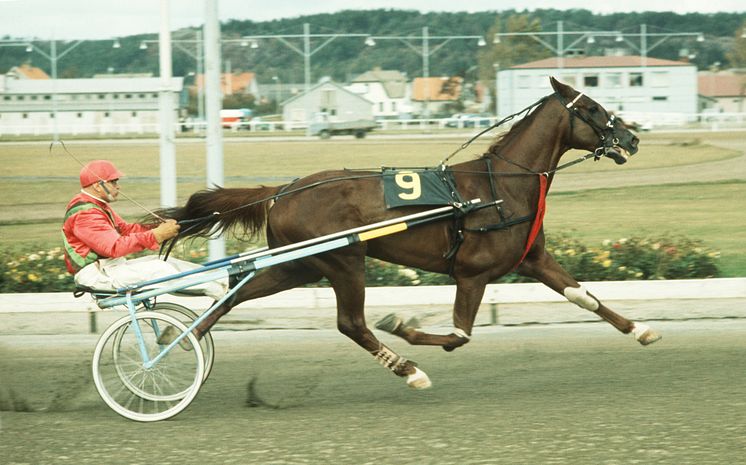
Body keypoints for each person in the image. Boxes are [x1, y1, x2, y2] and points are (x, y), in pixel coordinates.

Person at [63, 160, 227, 300]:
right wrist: (156, 235)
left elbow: (127, 230)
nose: (118, 187)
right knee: (159, 269)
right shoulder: (85, 213)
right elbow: (115, 247)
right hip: (98, 275)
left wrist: (159, 228)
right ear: (98, 186)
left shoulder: (97, 206)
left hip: (110, 268)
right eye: (113, 182)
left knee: (164, 261)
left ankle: (223, 280)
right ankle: (223, 293)